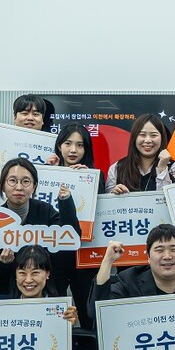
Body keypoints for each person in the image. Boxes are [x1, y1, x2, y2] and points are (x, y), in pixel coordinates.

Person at [0, 157, 80, 301]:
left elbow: (71, 239)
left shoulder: (45, 211)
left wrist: (66, 203)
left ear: (34, 186)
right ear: (3, 186)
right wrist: (3, 263)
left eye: (26, 181)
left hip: (46, 294)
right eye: (12, 181)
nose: (19, 187)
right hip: (7, 296)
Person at [50, 123, 100, 325]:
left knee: (88, 313)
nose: (73, 150)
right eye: (68, 144)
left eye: (80, 145)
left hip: (84, 253)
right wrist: (49, 171)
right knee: (56, 312)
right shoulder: (46, 173)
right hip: (55, 254)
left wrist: (90, 181)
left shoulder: (95, 176)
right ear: (59, 146)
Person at [0, 94, 54, 166]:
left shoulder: (52, 144)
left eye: (35, 114)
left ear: (42, 119)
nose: (30, 118)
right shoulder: (2, 140)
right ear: (15, 117)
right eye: (25, 113)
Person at [105, 114, 175, 193]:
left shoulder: (173, 168)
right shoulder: (117, 168)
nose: (148, 140)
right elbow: (108, 198)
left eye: (153, 135)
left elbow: (173, 198)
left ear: (162, 138)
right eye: (142, 135)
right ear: (134, 137)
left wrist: (162, 169)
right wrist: (114, 194)